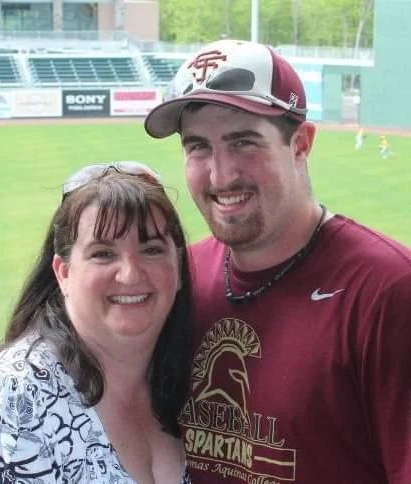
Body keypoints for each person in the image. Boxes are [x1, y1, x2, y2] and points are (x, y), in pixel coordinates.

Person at [144, 39, 411, 483]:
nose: (220, 175)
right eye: (198, 147)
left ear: (300, 144)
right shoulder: (179, 277)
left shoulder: (388, 292)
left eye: (243, 142)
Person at [0, 161, 193, 483]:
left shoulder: (192, 379)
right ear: (63, 273)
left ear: (179, 267)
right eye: (103, 254)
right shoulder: (18, 397)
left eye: (151, 249)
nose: (130, 274)